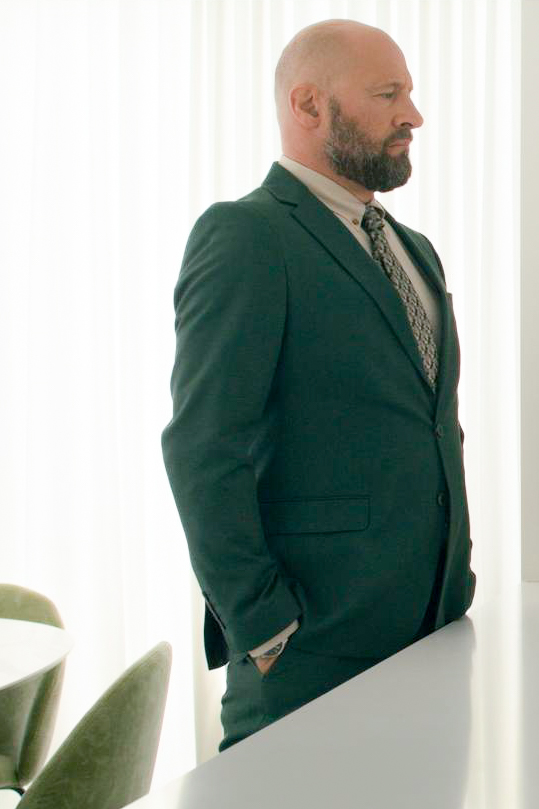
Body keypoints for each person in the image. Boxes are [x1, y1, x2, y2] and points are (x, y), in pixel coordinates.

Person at [161, 20, 475, 750]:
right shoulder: (247, 236)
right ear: (308, 105)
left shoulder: (416, 250)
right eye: (388, 94)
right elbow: (203, 447)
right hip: (311, 656)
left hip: (436, 634)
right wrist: (263, 625)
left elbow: (431, 426)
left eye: (410, 93)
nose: (413, 115)